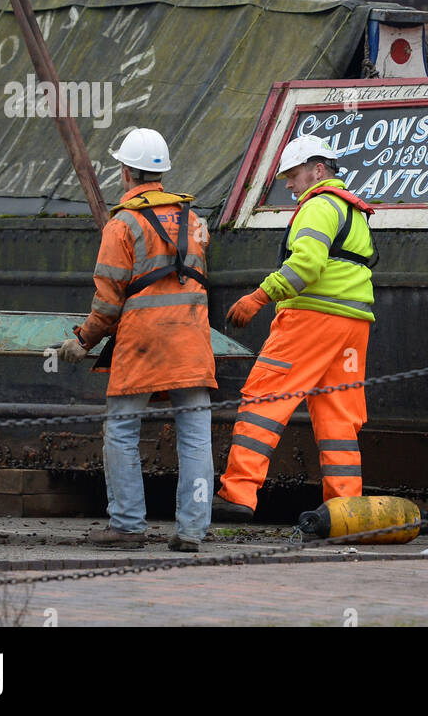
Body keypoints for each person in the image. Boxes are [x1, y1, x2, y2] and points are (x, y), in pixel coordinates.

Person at [58, 127, 216, 551]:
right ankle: (192, 531)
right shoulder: (195, 221)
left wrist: (83, 341)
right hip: (192, 342)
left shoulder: (122, 224)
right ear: (161, 173)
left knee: (123, 430)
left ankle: (127, 526)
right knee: (197, 436)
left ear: (126, 172)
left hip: (143, 345)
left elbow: (109, 300)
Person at [212, 135, 376, 522]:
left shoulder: (318, 206)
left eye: (293, 174)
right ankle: (345, 510)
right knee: (338, 418)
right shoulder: (353, 211)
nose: (288, 184)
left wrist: (258, 297)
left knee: (264, 400)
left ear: (318, 170)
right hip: (353, 326)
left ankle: (237, 494)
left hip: (311, 320)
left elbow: (306, 267)